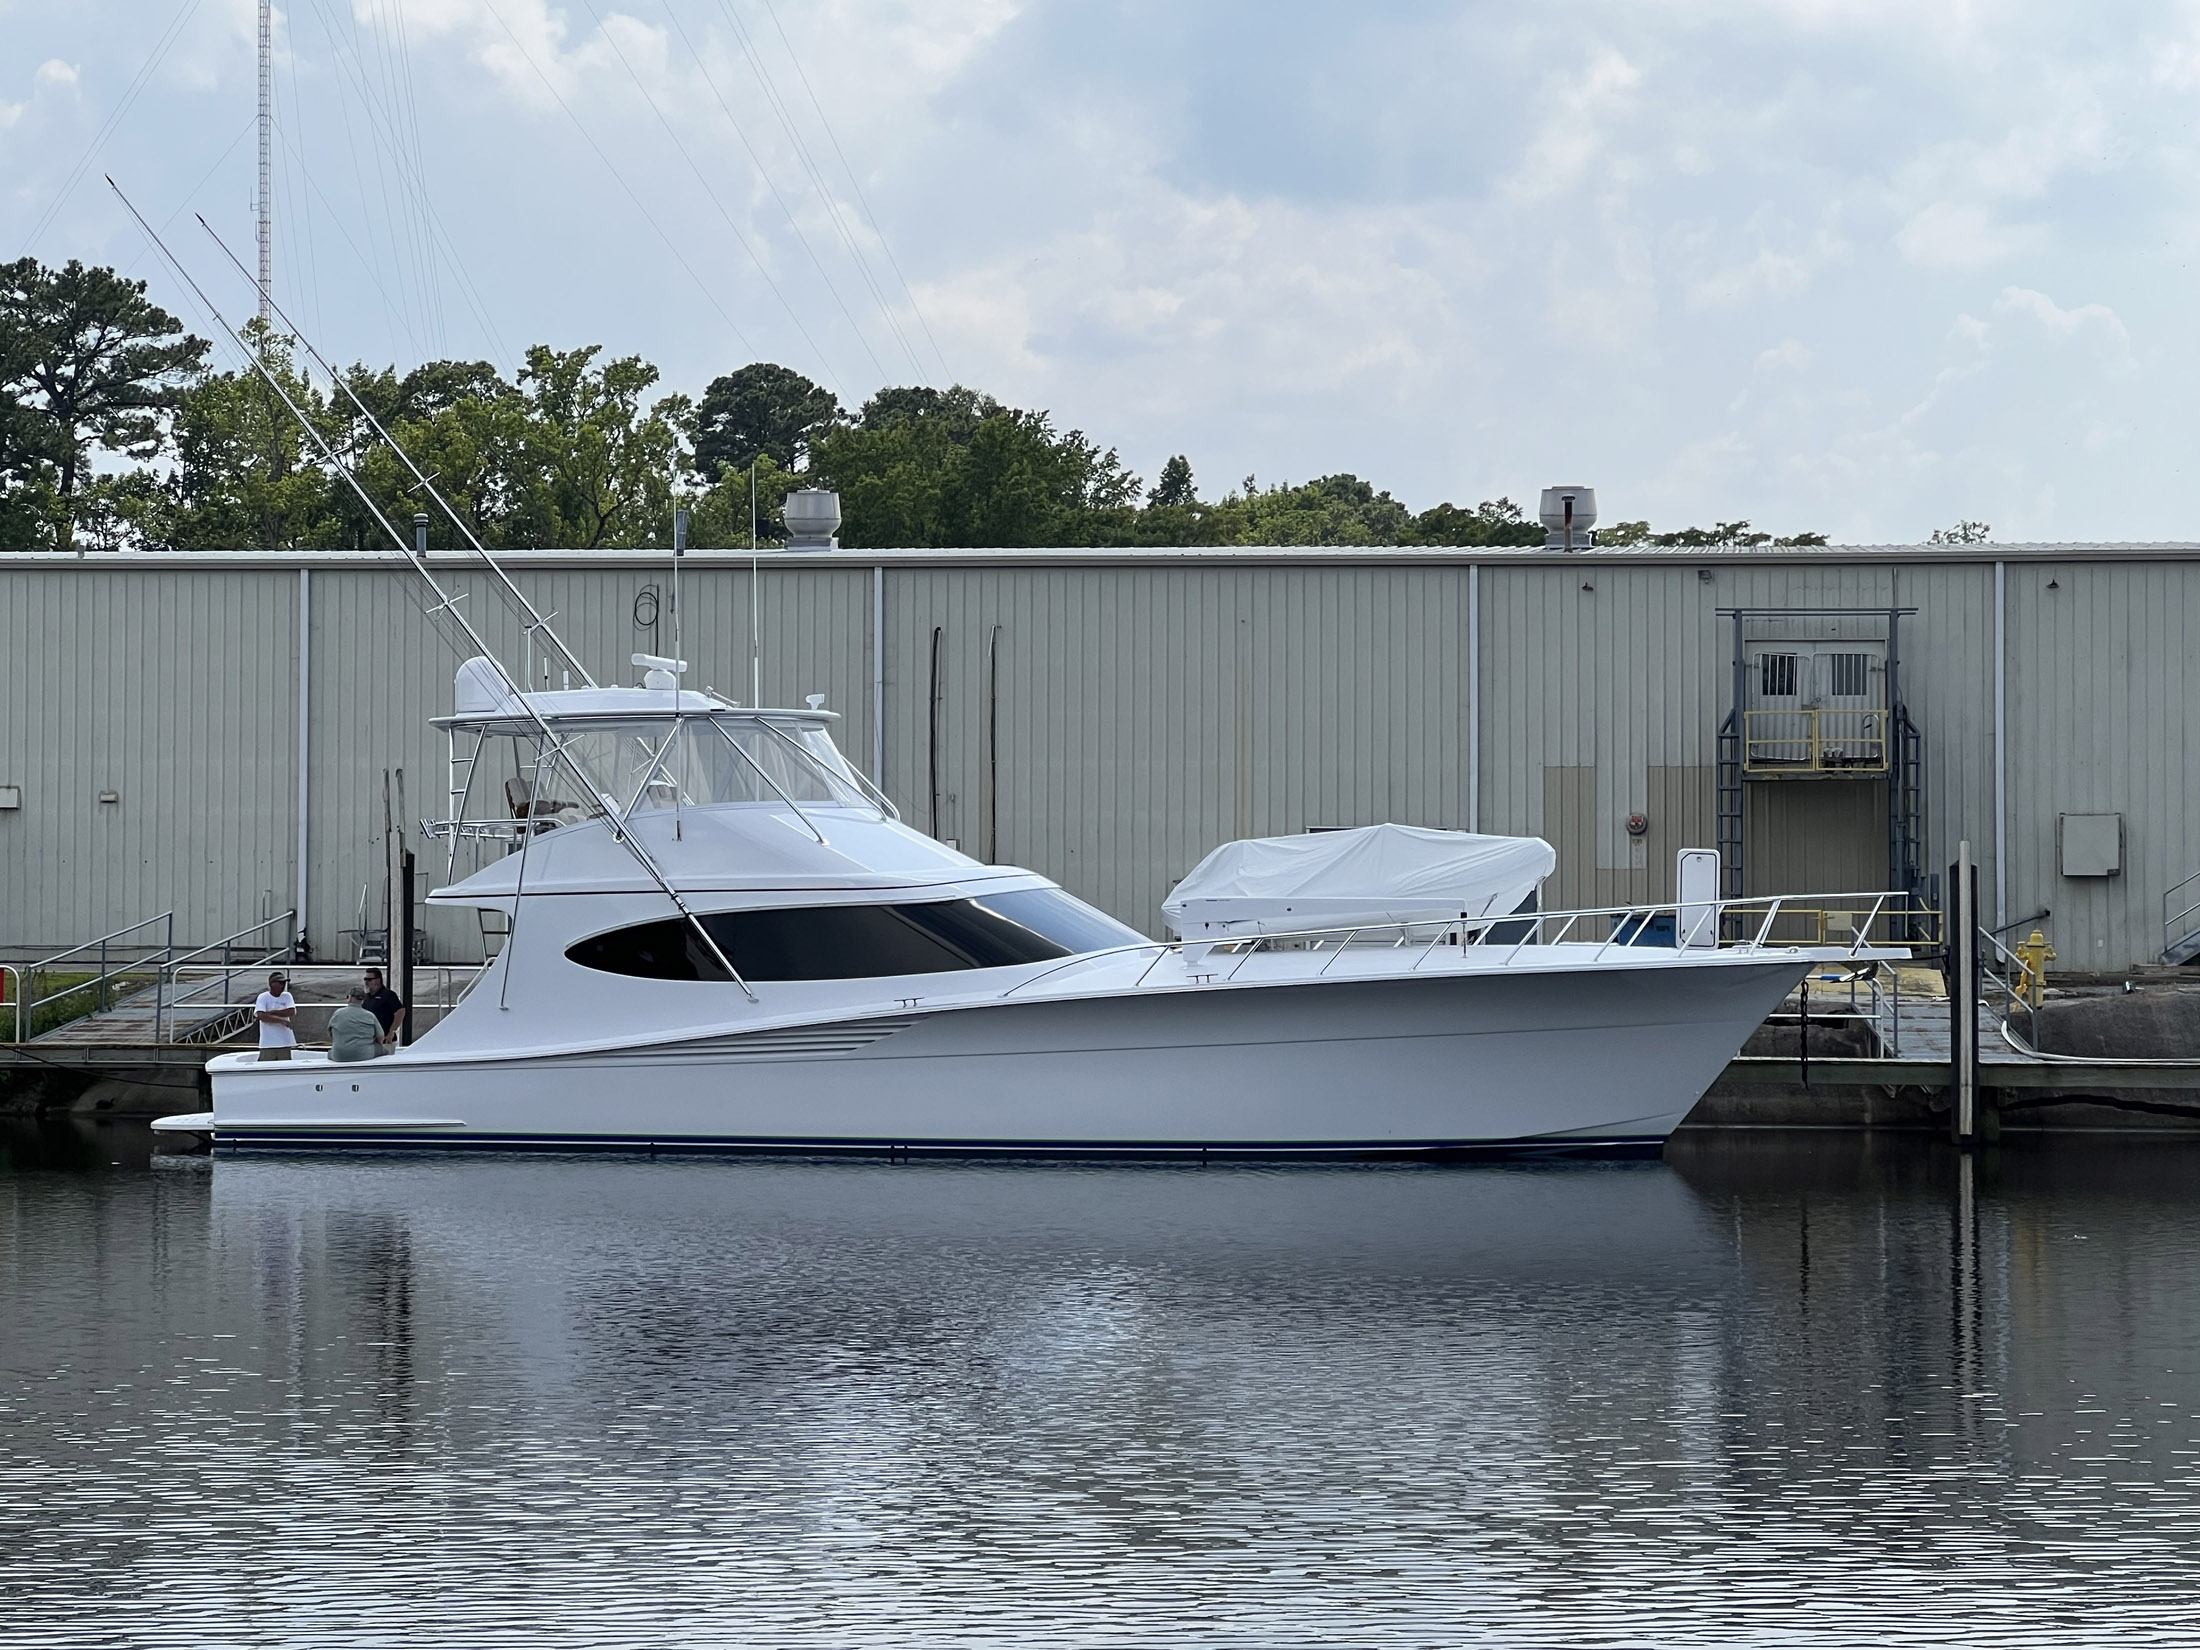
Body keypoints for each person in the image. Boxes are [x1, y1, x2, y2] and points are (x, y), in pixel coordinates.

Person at [328, 987, 387, 1063]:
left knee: (330, 1053)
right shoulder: (370, 1015)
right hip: (364, 1055)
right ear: (362, 1001)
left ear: (349, 998)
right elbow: (381, 1036)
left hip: (339, 1056)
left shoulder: (338, 1013)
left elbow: (330, 1032)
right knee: (384, 1051)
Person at [254, 971, 297, 1062]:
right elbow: (261, 1016)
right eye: (280, 983)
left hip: (285, 1041)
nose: (283, 985)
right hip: (268, 1042)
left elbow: (291, 1011)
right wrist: (281, 1020)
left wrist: (271, 1013)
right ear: (272, 984)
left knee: (286, 1066)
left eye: (284, 983)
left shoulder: (287, 996)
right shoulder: (263, 997)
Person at [362, 968, 407, 1050]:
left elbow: (400, 1011)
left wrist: (391, 1031)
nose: (366, 982)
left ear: (378, 980)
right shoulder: (366, 997)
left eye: (369, 979)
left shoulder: (388, 995)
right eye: (365, 979)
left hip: (386, 1040)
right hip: (369, 1040)